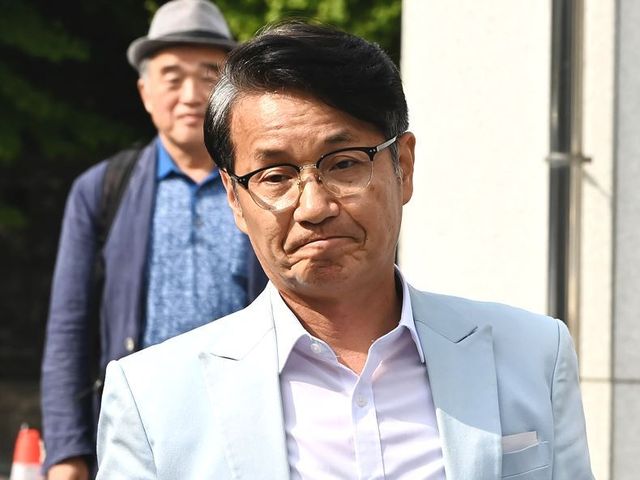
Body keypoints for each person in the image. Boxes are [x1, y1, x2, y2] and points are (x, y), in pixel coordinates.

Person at [95, 21, 594, 479]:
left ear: (403, 167)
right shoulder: (154, 399)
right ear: (235, 199)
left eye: (344, 163)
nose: (313, 206)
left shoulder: (533, 355)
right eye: (275, 175)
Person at [40, 1, 267, 478]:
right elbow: (69, 327)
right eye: (171, 77)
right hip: (135, 430)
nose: (190, 94)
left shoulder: (266, 185)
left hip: (249, 426)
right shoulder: (101, 189)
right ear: (145, 92)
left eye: (208, 75)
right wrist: (66, 451)